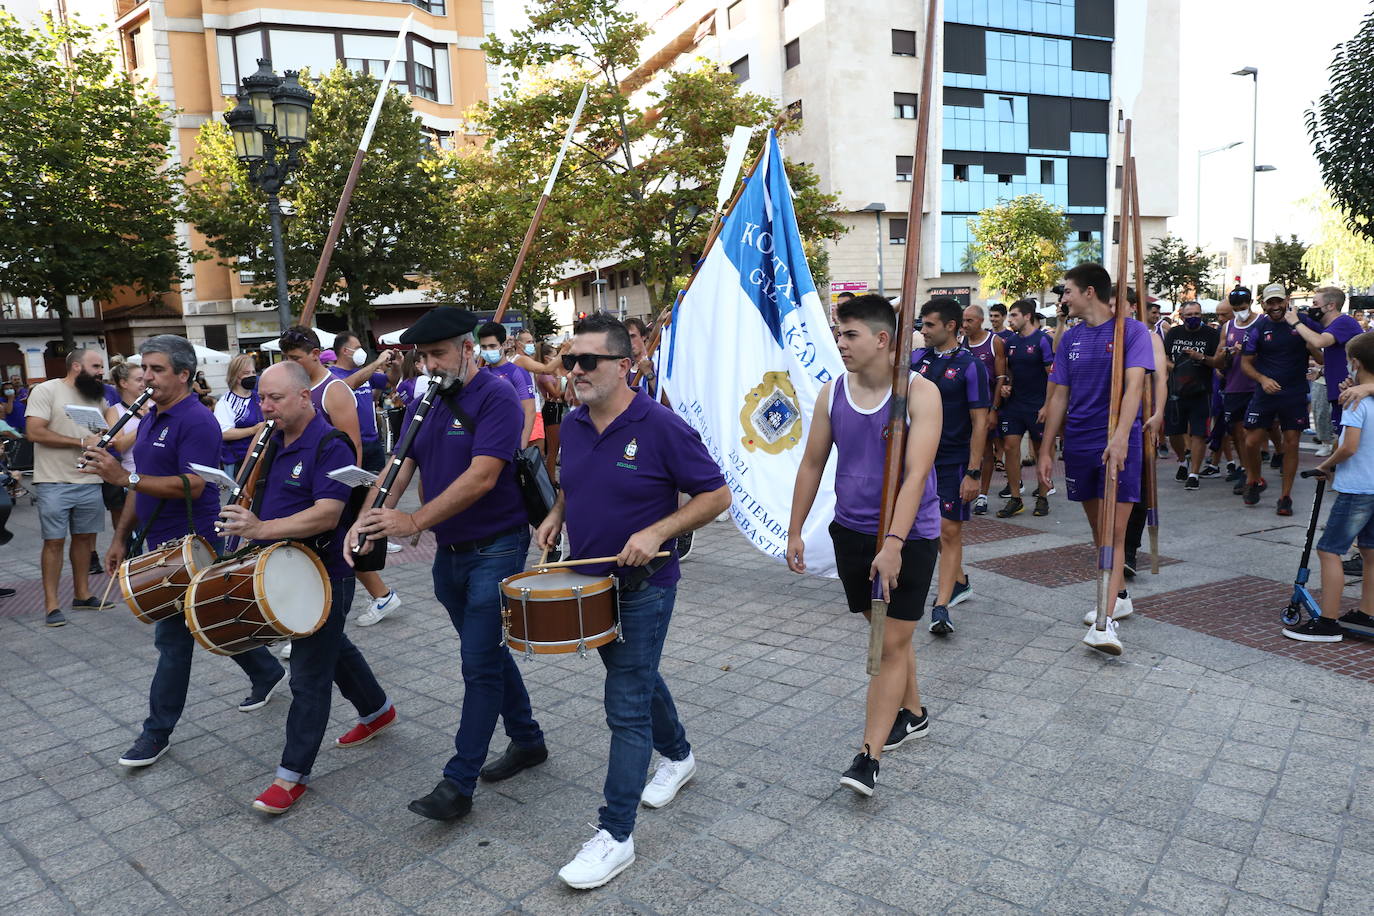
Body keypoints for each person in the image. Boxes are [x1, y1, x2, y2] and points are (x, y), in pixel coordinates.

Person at [532, 313, 729, 890]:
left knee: (624, 701)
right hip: (588, 582)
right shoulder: (571, 421)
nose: (574, 371)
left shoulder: (661, 425)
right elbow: (573, 482)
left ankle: (615, 834)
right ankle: (680, 755)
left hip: (646, 586)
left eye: (587, 361)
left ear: (625, 365)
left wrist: (658, 532)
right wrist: (556, 513)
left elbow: (715, 495)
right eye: (569, 360)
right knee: (636, 676)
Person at [347, 307, 546, 825]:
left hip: (497, 547)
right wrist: (365, 518)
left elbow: (482, 478)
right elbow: (400, 463)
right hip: (452, 553)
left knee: (478, 664)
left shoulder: (497, 396)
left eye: (438, 353)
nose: (429, 364)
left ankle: (457, 784)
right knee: (489, 655)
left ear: (467, 346)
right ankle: (527, 740)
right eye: (423, 356)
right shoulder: (432, 397)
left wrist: (413, 524)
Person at [81, 335, 285, 767]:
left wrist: (124, 479)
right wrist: (119, 537)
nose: (146, 379)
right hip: (157, 538)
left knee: (172, 638)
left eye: (155, 370)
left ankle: (156, 732)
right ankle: (266, 670)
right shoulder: (152, 416)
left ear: (183, 374)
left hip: (194, 540)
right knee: (211, 614)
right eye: (144, 371)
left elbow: (193, 484)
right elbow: (142, 479)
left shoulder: (197, 420)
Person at [217, 361, 394, 813]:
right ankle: (377, 710)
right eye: (261, 398)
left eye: (275, 398)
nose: (266, 406)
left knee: (309, 674)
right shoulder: (271, 439)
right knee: (330, 645)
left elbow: (327, 514)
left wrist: (260, 528)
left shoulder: (330, 444)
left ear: (304, 396)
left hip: (324, 570)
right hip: (286, 565)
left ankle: (291, 775)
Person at [788, 293, 941, 798]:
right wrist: (793, 530)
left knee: (887, 644)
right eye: (839, 334)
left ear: (882, 339)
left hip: (909, 538)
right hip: (851, 532)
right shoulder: (832, 393)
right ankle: (914, 713)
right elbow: (812, 463)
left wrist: (894, 542)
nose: (841, 344)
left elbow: (916, 474)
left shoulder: (919, 394)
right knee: (886, 628)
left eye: (850, 335)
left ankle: (868, 756)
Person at [1037, 263, 1154, 654]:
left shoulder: (1131, 331)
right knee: (1097, 532)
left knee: (1113, 534)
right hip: (1081, 443)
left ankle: (1104, 624)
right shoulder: (1069, 338)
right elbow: (1058, 396)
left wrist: (1122, 437)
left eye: (1067, 291)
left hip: (1117, 445)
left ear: (1089, 292)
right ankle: (1117, 596)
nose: (1063, 298)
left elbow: (1135, 387)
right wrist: (1046, 449)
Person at [278, 327, 402, 630]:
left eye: (295, 357)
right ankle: (316, 621)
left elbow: (352, 445)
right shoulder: (298, 388)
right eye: (285, 358)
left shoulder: (333, 390)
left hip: (331, 491)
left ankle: (313, 624)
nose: (290, 363)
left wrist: (343, 493)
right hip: (303, 487)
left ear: (315, 355)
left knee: (333, 553)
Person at [1284, 331, 1374, 642]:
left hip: (1357, 488)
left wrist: (1325, 464)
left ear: (1355, 362)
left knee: (1329, 550)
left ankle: (1328, 620)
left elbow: (1349, 446)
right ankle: (1367, 611)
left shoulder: (1355, 402)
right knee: (1369, 551)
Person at [911, 297, 990, 635]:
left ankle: (941, 606)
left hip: (953, 461)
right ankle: (958, 580)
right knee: (922, 531)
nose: (923, 330)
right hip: (916, 460)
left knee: (948, 530)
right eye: (922, 324)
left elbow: (980, 422)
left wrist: (974, 472)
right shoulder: (917, 360)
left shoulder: (971, 366)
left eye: (929, 325)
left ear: (950, 326)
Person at [25, 349, 113, 627]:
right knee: (53, 542)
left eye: (102, 366)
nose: (101, 371)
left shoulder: (96, 397)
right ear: (76, 366)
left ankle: (82, 594)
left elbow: (97, 435)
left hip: (89, 478)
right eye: (96, 365)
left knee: (86, 539)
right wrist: (80, 443)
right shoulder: (46, 390)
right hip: (53, 480)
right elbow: (34, 432)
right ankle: (52, 605)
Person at [1240, 285, 1310, 515]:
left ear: (1287, 300)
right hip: (1266, 393)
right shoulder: (1259, 326)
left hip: (1294, 393)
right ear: (1264, 304)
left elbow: (1321, 351)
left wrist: (1305, 335)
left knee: (1291, 442)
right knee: (1251, 441)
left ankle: (1285, 496)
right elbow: (1245, 363)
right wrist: (1262, 379)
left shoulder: (1302, 322)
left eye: (1279, 301)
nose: (1276, 307)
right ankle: (1254, 479)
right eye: (1271, 303)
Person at [997, 299, 1055, 517]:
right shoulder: (1010, 342)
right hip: (1015, 405)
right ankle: (1015, 498)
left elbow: (1053, 375)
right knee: (1011, 447)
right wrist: (1006, 386)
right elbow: (1009, 372)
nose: (1010, 319)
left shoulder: (1043, 340)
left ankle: (1042, 497)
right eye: (1010, 316)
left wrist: (1048, 405)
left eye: (1014, 315)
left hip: (1038, 405)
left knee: (1042, 452)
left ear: (1028, 316)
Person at [1289, 287, 1362, 452]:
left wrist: (1295, 321)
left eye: (1315, 303)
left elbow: (1319, 342)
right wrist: (1322, 371)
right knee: (1341, 440)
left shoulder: (1344, 322)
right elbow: (1340, 358)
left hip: (1351, 394)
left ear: (1331, 306)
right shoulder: (1330, 326)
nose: (1312, 307)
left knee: (1349, 445)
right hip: (1340, 394)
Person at [1163, 301, 1221, 490]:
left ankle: (1194, 473)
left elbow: (1218, 362)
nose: (1193, 318)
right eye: (1189, 315)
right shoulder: (1173, 333)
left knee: (1198, 434)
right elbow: (1164, 358)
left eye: (1197, 314)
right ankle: (1182, 460)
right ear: (1181, 315)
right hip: (1176, 391)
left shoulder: (1211, 335)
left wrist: (1200, 357)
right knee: (1174, 432)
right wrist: (1178, 369)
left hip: (1201, 392)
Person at [960, 305, 1005, 515]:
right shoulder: (961, 343)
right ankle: (965, 489)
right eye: (963, 321)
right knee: (968, 450)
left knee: (986, 452)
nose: (965, 325)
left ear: (980, 320)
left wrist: (993, 409)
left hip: (985, 407)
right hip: (965, 409)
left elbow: (1000, 378)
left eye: (970, 320)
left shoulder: (994, 342)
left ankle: (983, 495)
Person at [101, 362, 148, 534]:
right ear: (123, 383)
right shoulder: (115, 411)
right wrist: (146, 422)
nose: (144, 383)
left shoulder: (155, 404)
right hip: (132, 478)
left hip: (159, 475)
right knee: (137, 533)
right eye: (139, 380)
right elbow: (119, 445)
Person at [477, 322, 536, 449]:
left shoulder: (517, 373)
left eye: (492, 346)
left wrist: (522, 446)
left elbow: (530, 411)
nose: (488, 351)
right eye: (484, 347)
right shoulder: (480, 373)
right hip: (485, 441)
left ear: (503, 345)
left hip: (511, 442)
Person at [214, 354, 264, 479]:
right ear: (235, 376)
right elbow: (223, 432)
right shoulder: (226, 402)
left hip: (262, 457)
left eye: (253, 372)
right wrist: (253, 430)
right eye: (246, 373)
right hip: (238, 461)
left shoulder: (259, 396)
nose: (252, 376)